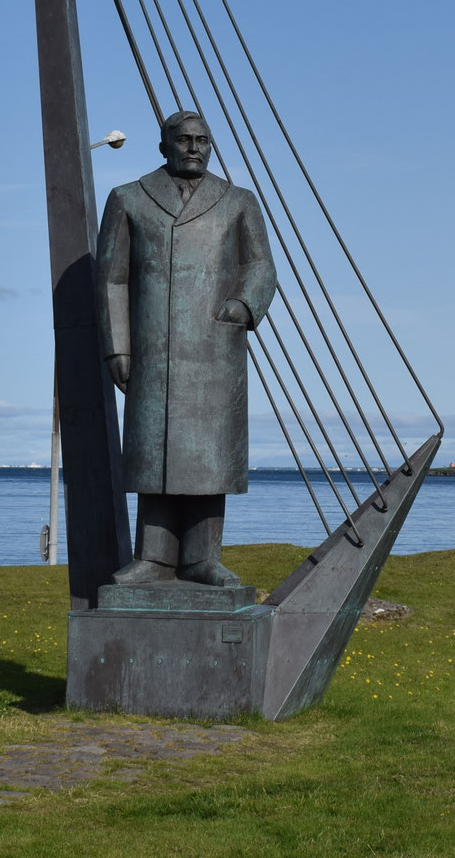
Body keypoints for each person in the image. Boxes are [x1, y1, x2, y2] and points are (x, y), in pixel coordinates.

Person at [96, 109, 278, 587]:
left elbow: (261, 266)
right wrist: (118, 347)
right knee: (155, 456)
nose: (194, 147)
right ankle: (152, 558)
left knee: (208, 459)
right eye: (184, 140)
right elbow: (112, 278)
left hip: (215, 352)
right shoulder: (128, 199)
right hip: (153, 349)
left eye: (203, 140)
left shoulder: (238, 202)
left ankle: (203, 558)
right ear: (164, 146)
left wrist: (241, 307)